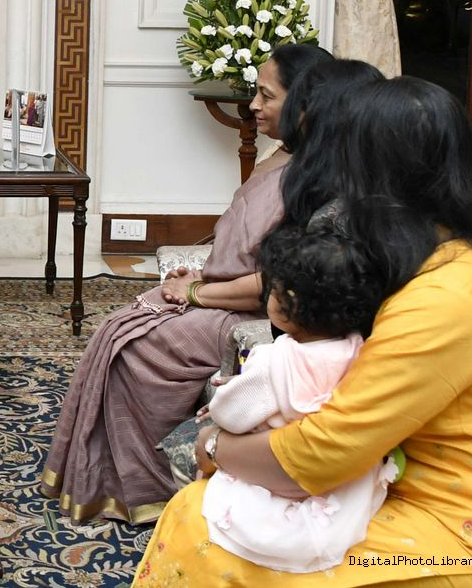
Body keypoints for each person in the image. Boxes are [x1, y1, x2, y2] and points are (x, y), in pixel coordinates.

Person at [137, 77, 472, 586]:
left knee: (203, 529)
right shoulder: (433, 254)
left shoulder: (451, 294)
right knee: (209, 511)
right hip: (402, 488)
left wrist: (214, 447)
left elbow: (321, 456)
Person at [39, 44, 350, 524]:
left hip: (258, 315)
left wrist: (196, 293)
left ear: (306, 104)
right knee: (121, 323)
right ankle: (105, 480)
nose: (253, 105)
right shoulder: (281, 155)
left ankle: (154, 487)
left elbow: (277, 281)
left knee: (134, 345)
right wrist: (201, 274)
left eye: (267, 96)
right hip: (227, 295)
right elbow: (245, 245)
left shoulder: (321, 178)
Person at [196, 218, 393, 574]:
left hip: (279, 472)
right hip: (344, 487)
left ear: (287, 305)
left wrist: (226, 396)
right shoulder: (361, 350)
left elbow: (230, 416)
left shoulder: (275, 360)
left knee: (205, 487)